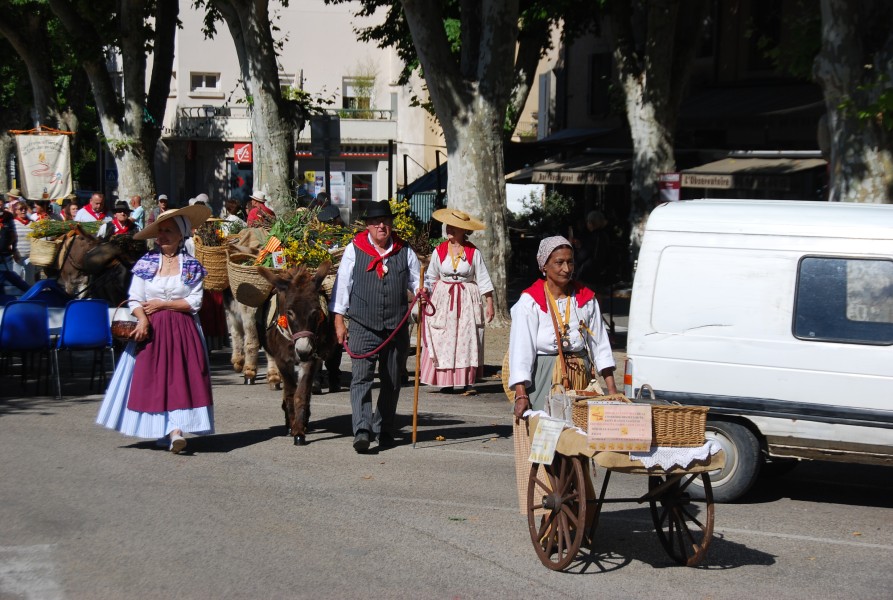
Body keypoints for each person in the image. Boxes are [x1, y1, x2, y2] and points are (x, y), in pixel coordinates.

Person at [96, 204, 214, 454]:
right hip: (152, 330)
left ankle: (176, 431)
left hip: (183, 330)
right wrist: (142, 320)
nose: (161, 237)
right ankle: (161, 429)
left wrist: (164, 304)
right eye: (160, 232)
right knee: (154, 380)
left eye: (168, 231)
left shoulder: (191, 265)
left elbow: (194, 302)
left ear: (180, 235)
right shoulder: (147, 263)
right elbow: (135, 297)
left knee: (181, 380)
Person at [331, 200, 421, 452]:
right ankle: (362, 428)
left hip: (395, 327)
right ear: (368, 226)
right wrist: (339, 320)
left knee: (392, 381)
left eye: (386, 221)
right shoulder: (354, 249)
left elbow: (418, 282)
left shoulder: (405, 251)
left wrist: (422, 293)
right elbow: (342, 287)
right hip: (362, 325)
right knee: (361, 378)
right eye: (376, 222)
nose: (382, 225)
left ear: (391, 224)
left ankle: (383, 428)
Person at [508, 235, 617, 420]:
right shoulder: (530, 302)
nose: (566, 269)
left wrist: (612, 390)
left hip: (580, 376)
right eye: (559, 262)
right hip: (544, 377)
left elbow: (601, 346)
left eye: (570, 262)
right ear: (544, 266)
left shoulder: (585, 299)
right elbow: (521, 351)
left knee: (580, 435)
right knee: (546, 435)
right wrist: (521, 394)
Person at [419, 208, 494, 395]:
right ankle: (446, 380)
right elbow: (431, 275)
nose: (449, 229)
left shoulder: (472, 251)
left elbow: (483, 277)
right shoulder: (440, 250)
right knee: (444, 337)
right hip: (444, 298)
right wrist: (426, 294)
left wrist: (490, 303)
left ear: (464, 231)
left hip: (467, 298)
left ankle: (466, 380)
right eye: (448, 226)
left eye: (454, 227)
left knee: (466, 338)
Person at [572, 209, 610, 288]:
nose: (587, 224)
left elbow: (583, 255)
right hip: (601, 272)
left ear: (592, 223)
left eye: (588, 221)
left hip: (589, 273)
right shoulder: (604, 235)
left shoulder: (593, 237)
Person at [10, 200, 35, 285]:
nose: (23, 211)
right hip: (16, 257)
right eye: (21, 209)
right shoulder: (12, 223)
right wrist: (13, 252)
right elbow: (9, 240)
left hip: (30, 257)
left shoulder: (32, 223)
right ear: (16, 211)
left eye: (25, 208)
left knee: (29, 282)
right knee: (16, 282)